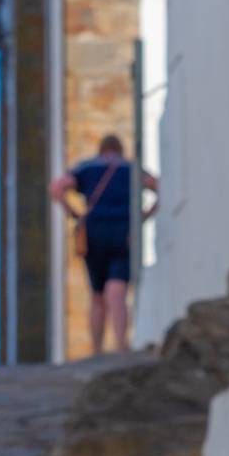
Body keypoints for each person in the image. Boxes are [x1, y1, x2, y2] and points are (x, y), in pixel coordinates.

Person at [50, 135, 159, 354]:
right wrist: (145, 217)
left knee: (98, 294)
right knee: (117, 292)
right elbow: (159, 187)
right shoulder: (131, 168)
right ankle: (120, 346)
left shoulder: (87, 167)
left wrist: (74, 214)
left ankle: (97, 350)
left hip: (94, 232)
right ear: (120, 149)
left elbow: (57, 188)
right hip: (124, 231)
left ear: (102, 150)